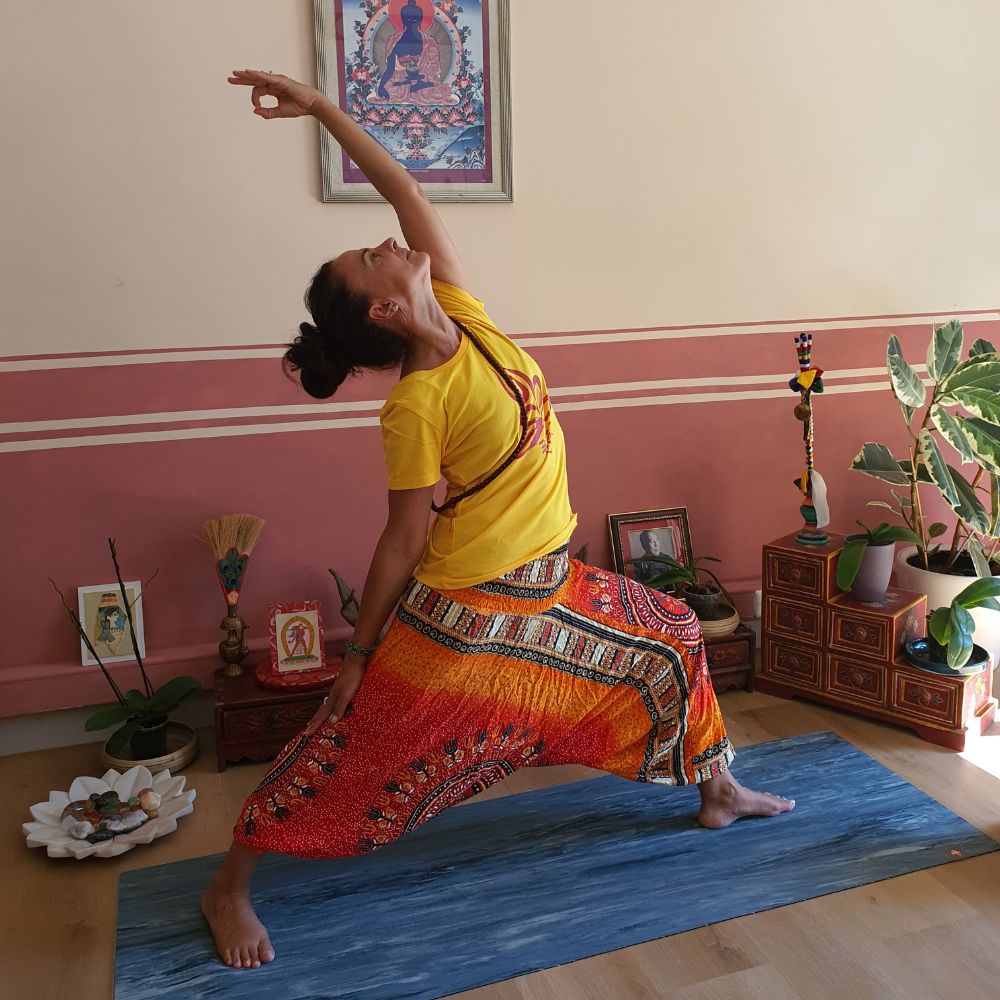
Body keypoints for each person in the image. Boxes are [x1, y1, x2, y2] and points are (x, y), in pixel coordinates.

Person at [204, 68, 795, 971]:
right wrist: (357, 657)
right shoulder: (413, 406)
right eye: (372, 257)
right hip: (469, 609)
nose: (387, 241)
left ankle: (718, 789)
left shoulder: (467, 315)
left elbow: (403, 187)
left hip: (549, 583)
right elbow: (402, 537)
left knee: (673, 630)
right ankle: (228, 888)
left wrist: (323, 110)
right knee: (352, 750)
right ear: (385, 306)